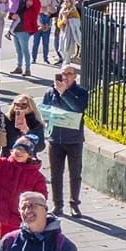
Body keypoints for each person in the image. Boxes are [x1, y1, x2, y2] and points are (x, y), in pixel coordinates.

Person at [0, 129, 49, 237]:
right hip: (4, 216)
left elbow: (41, 198)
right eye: (17, 148)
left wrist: (32, 211)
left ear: (30, 155)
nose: (19, 152)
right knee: (5, 243)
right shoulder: (4, 165)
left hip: (23, 219)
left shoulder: (37, 177)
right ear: (12, 150)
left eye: (24, 150)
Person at [40, 67, 90, 218]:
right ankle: (57, 204)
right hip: (55, 139)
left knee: (75, 174)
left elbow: (78, 108)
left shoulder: (81, 92)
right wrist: (46, 118)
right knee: (56, 174)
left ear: (75, 76)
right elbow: (45, 110)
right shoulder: (50, 92)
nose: (65, 77)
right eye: (63, 74)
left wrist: (64, 93)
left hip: (74, 140)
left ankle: (74, 203)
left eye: (69, 74)